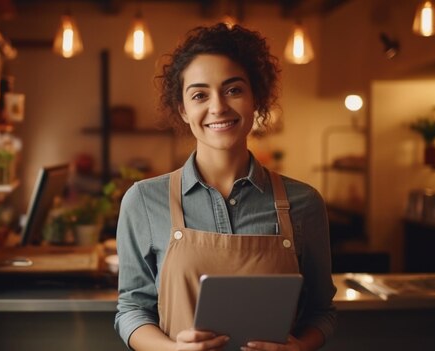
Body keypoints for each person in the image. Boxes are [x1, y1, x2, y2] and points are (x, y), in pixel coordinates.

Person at [114, 23, 337, 351]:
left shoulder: (304, 202)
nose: (217, 106)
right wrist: (173, 350)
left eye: (233, 90)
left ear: (255, 99)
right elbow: (131, 310)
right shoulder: (144, 201)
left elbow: (322, 312)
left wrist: (300, 347)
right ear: (183, 109)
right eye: (200, 95)